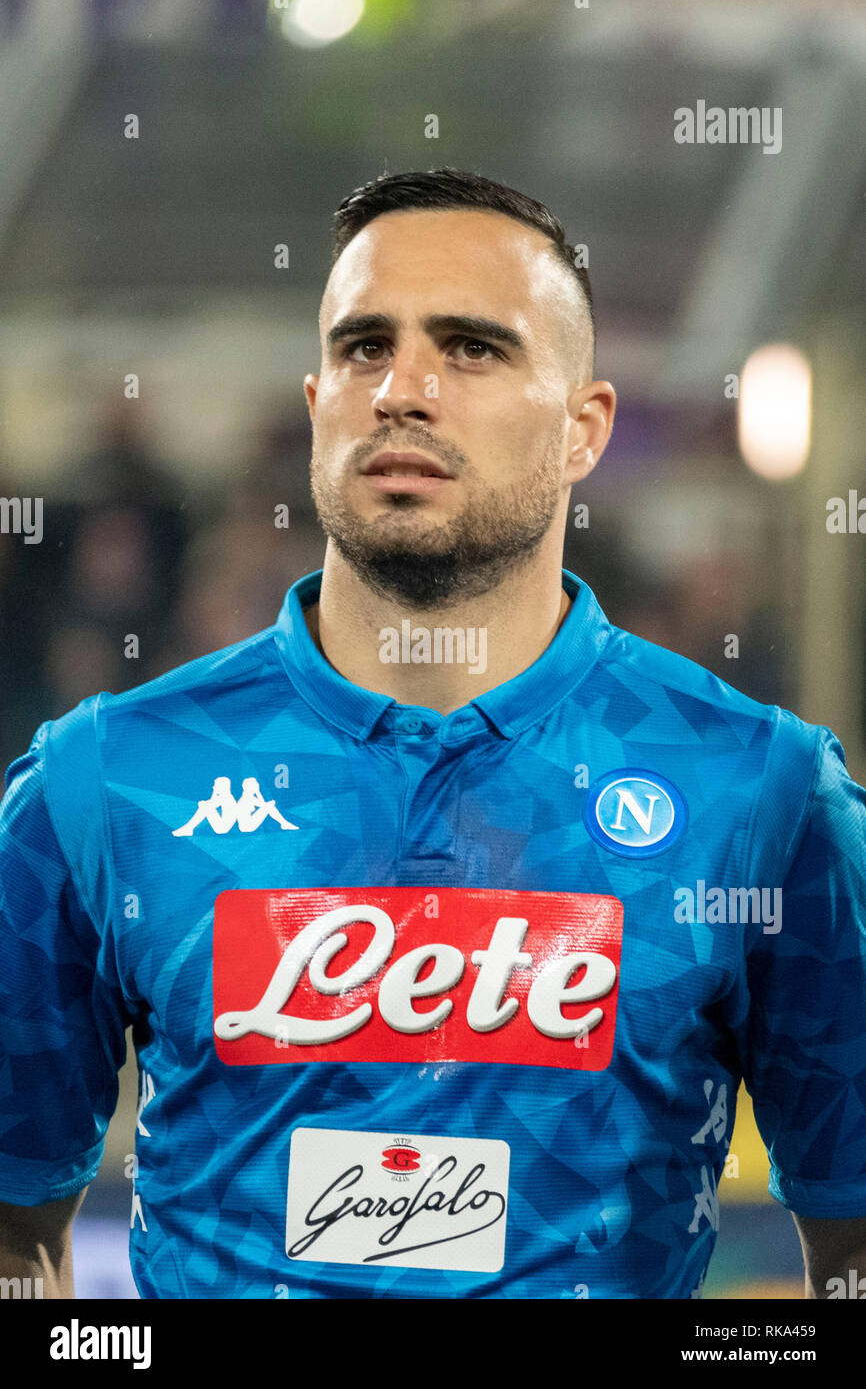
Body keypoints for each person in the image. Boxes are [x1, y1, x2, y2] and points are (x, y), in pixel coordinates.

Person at [0, 168, 864, 1300]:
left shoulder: (764, 793)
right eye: (364, 347)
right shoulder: (102, 779)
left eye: (470, 347)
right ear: (316, 406)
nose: (402, 388)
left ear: (582, 429)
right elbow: (16, 1235)